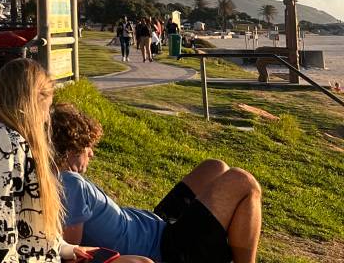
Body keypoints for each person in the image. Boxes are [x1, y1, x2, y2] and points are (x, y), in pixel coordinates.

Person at [52, 104, 263, 263]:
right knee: (243, 182)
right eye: (87, 146)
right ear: (71, 150)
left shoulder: (68, 181)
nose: (92, 153)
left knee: (214, 167)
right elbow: (73, 253)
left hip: (157, 226)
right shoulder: (69, 183)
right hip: (167, 249)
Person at [0, 58, 105, 262]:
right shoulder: (4, 142)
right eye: (47, 106)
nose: (47, 117)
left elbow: (25, 226)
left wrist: (65, 249)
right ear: (32, 101)